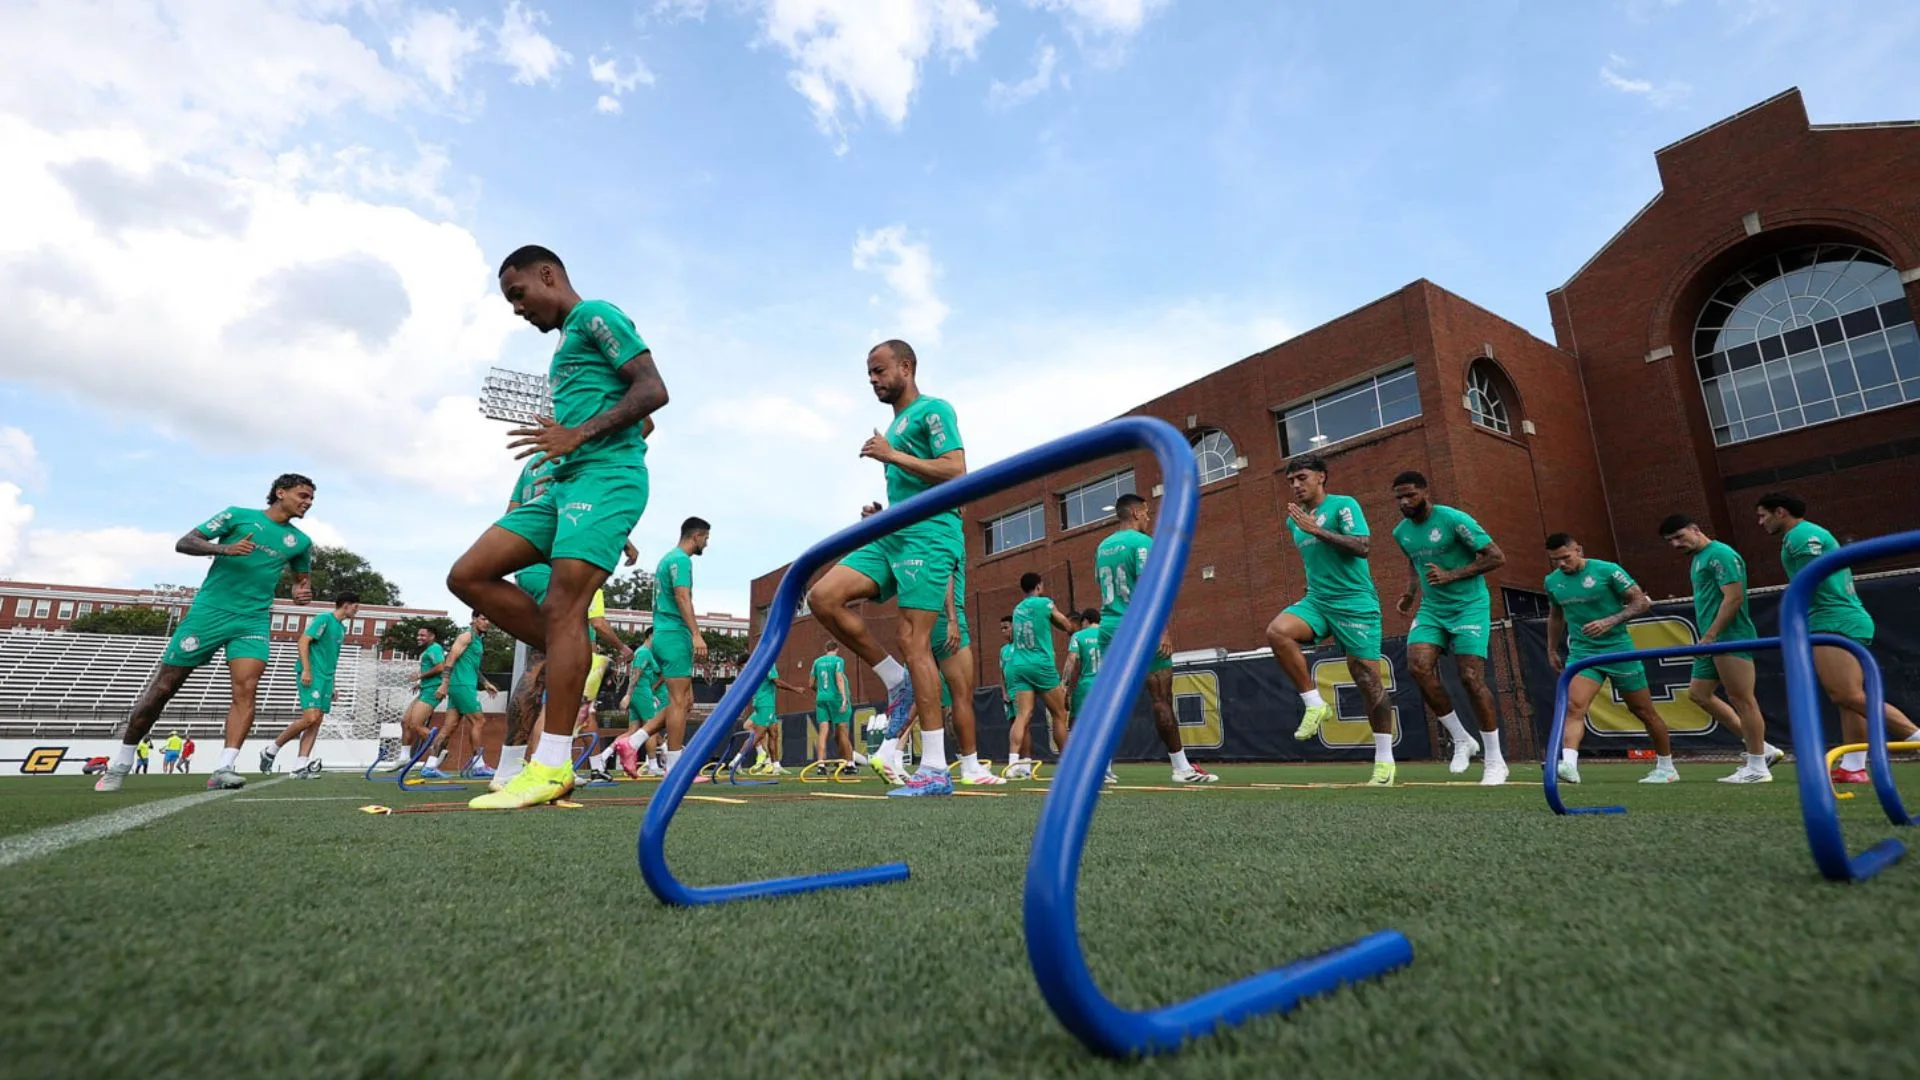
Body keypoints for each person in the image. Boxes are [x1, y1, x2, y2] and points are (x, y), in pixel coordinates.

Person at [447, 245, 668, 810]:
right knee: (469, 575)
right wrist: (570, 437)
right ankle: (567, 646)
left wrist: (580, 434)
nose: (517, 309)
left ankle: (551, 765)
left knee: (566, 608)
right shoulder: (567, 344)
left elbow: (652, 392)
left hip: (605, 478)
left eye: (518, 294)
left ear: (547, 275)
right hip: (562, 485)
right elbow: (635, 416)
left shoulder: (595, 314)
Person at [806, 339, 997, 796]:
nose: (873, 380)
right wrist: (883, 512)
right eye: (869, 374)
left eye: (879, 371)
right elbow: (913, 483)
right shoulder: (895, 426)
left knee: (914, 640)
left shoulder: (934, 409)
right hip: (894, 530)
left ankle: (935, 767)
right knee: (822, 597)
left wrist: (891, 455)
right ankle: (896, 680)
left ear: (906, 367)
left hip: (929, 533)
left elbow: (956, 470)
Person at [94, 474, 316, 793]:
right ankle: (122, 762)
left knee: (247, 689)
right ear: (280, 493)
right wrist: (225, 549)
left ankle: (224, 768)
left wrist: (300, 593)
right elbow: (185, 542)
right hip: (209, 612)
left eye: (311, 498)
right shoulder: (237, 515)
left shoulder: (301, 542)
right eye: (303, 495)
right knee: (164, 687)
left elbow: (300, 583)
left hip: (252, 620)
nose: (308, 502)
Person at [1754, 492, 1919, 783]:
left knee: (1846, 695)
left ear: (1780, 512)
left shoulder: (1800, 536)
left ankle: (1915, 736)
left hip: (1833, 619)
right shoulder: (1803, 535)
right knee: (1848, 698)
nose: (1760, 522)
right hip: (1840, 618)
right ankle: (1853, 767)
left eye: (1762, 515)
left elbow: (1812, 579)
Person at [1266, 456, 1395, 785]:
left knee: (1367, 679)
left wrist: (1318, 530)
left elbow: (1362, 547)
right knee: (1278, 632)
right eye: (1291, 481)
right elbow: (1316, 561)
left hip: (1354, 602)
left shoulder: (1344, 505)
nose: (1296, 485)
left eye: (1302, 477)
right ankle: (1314, 704)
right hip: (1318, 600)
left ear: (1321, 477)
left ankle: (1384, 761)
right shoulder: (1294, 520)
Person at [1389, 471, 1509, 786]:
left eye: (1410, 495)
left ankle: (1495, 760)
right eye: (1399, 498)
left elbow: (1496, 557)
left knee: (1470, 677)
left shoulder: (1454, 519)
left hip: (1470, 605)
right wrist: (1410, 593)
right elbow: (1414, 561)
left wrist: (1451, 575)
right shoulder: (1401, 532)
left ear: (1425, 492)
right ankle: (1461, 739)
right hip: (1432, 609)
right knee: (1417, 667)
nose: (1404, 502)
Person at [1096, 493, 1217, 784]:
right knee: (1161, 699)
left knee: (1110, 701)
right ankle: (1181, 768)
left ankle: (1100, 768)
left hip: (1109, 629)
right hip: (1140, 627)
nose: (1149, 517)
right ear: (1135, 513)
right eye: (1146, 512)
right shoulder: (1143, 544)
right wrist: (1162, 630)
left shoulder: (1102, 547)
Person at [1658, 515, 1785, 784]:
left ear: (1695, 529)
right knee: (1699, 694)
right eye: (1670, 541)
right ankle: (1764, 749)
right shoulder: (1698, 559)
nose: (1676, 544)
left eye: (1679, 537)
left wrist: (1712, 634)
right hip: (1711, 639)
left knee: (1742, 699)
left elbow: (1735, 597)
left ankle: (1757, 768)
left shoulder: (1721, 554)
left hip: (1729, 636)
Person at [1544, 533, 1678, 785]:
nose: (1561, 564)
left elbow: (1641, 602)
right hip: (1583, 652)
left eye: (1565, 557)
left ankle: (1666, 766)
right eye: (1555, 560)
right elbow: (1556, 616)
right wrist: (1551, 649)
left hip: (1618, 649)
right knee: (1573, 707)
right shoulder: (1552, 581)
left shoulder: (1607, 570)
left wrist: (1610, 621)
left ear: (1578, 550)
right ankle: (1569, 765)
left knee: (1643, 711)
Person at [261, 592, 361, 778]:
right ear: (346, 605)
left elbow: (332, 657)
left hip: (327, 678)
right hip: (313, 674)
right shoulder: (324, 619)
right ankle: (270, 750)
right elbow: (303, 641)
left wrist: (333, 684)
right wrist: (306, 669)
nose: (357, 611)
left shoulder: (341, 628)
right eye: (355, 607)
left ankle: (299, 766)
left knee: (317, 721)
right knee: (310, 718)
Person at [648, 518, 711, 775]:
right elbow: (682, 596)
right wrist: (696, 634)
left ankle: (633, 741)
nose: (706, 544)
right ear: (696, 536)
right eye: (706, 538)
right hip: (674, 633)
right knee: (679, 702)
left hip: (663, 633)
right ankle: (675, 766)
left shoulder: (666, 559)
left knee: (683, 701)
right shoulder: (682, 560)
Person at [1004, 572, 1073, 780]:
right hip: (1041, 665)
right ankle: (1068, 765)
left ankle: (1013, 763)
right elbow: (1064, 623)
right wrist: (1071, 628)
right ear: (1039, 586)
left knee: (1022, 715)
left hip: (1020, 665)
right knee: (1059, 714)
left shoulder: (1017, 609)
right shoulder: (1044, 603)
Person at [420, 614, 499, 780]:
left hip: (463, 685)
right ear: (474, 618)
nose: (487, 622)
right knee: (479, 721)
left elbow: (472, 666)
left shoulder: (478, 640)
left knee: (448, 728)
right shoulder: (466, 636)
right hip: (462, 686)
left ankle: (430, 766)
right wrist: (444, 683)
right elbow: (451, 658)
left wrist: (485, 683)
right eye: (483, 619)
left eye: (489, 619)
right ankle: (478, 766)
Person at [1059, 607, 1116, 784]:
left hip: (1086, 686)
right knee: (1104, 727)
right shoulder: (1108, 635)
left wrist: (1064, 686)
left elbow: (1071, 661)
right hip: (1107, 686)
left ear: (1085, 621)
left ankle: (1077, 766)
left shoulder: (1078, 636)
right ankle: (1106, 769)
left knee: (1075, 725)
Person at [607, 630, 665, 778]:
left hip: (641, 693)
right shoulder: (644, 652)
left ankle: (604, 755)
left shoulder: (645, 653)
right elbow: (636, 675)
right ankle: (653, 765)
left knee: (633, 730)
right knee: (651, 727)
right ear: (650, 636)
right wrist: (628, 695)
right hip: (641, 693)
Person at [391, 627, 448, 770]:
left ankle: (438, 751)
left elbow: (440, 667)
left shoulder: (435, 648)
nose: (419, 637)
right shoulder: (428, 650)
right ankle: (404, 757)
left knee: (416, 725)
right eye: (418, 635)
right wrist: (420, 683)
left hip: (433, 691)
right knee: (405, 722)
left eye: (422, 635)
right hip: (425, 689)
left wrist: (420, 676)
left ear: (432, 636)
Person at [733, 668, 806, 774]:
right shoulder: (770, 664)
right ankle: (736, 761)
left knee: (773, 734)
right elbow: (777, 682)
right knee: (758, 735)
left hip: (765, 703)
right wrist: (795, 689)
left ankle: (776, 765)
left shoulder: (761, 664)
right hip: (765, 704)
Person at [809, 642, 867, 769]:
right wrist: (844, 698)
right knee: (842, 731)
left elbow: (811, 683)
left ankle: (821, 764)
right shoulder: (838, 661)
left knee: (823, 732)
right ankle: (850, 764)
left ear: (825, 649)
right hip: (836, 698)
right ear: (837, 649)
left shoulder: (817, 661)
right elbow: (839, 678)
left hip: (821, 698)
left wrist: (821, 692)